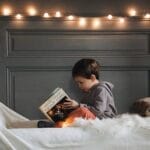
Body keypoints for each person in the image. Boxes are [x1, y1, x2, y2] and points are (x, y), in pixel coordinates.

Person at [38, 58, 117, 128]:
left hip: (103, 121)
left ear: (92, 78)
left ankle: (57, 125)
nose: (79, 86)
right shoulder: (90, 90)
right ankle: (59, 121)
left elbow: (98, 111)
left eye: (81, 82)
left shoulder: (101, 89)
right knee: (75, 110)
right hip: (95, 118)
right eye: (77, 83)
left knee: (82, 111)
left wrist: (78, 105)